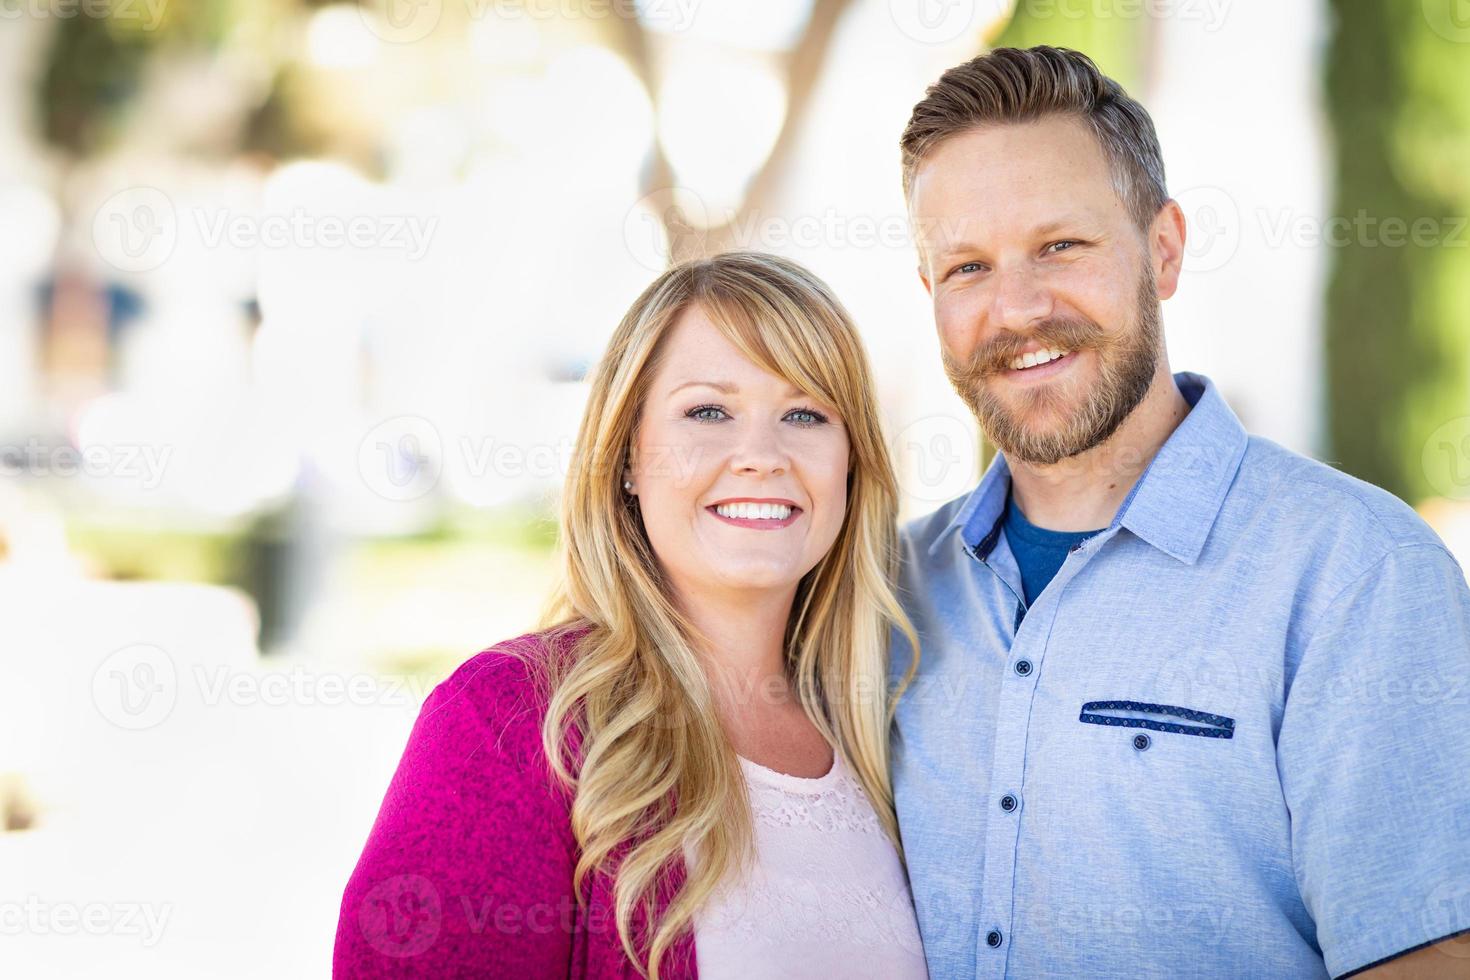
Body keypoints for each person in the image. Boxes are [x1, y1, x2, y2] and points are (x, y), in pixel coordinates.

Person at [890, 45, 1470, 979]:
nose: (1019, 307)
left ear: (1163, 249)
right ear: (931, 295)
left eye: (1061, 246)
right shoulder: (886, 591)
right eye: (967, 267)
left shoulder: (1357, 574)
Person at [334, 251, 930, 979]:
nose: (760, 455)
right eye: (708, 411)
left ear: (850, 463)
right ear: (626, 458)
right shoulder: (511, 722)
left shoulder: (891, 731)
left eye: (805, 413)